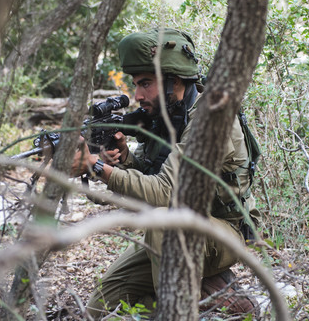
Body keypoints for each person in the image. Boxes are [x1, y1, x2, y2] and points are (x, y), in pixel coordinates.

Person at [71, 28, 258, 318]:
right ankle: (206, 301)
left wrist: (96, 166)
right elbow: (149, 178)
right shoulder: (168, 115)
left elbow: (164, 193)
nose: (137, 95)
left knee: (162, 220)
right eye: (135, 84)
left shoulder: (211, 119)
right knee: (101, 309)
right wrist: (122, 159)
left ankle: (187, 310)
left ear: (174, 80)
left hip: (224, 231)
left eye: (146, 83)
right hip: (180, 228)